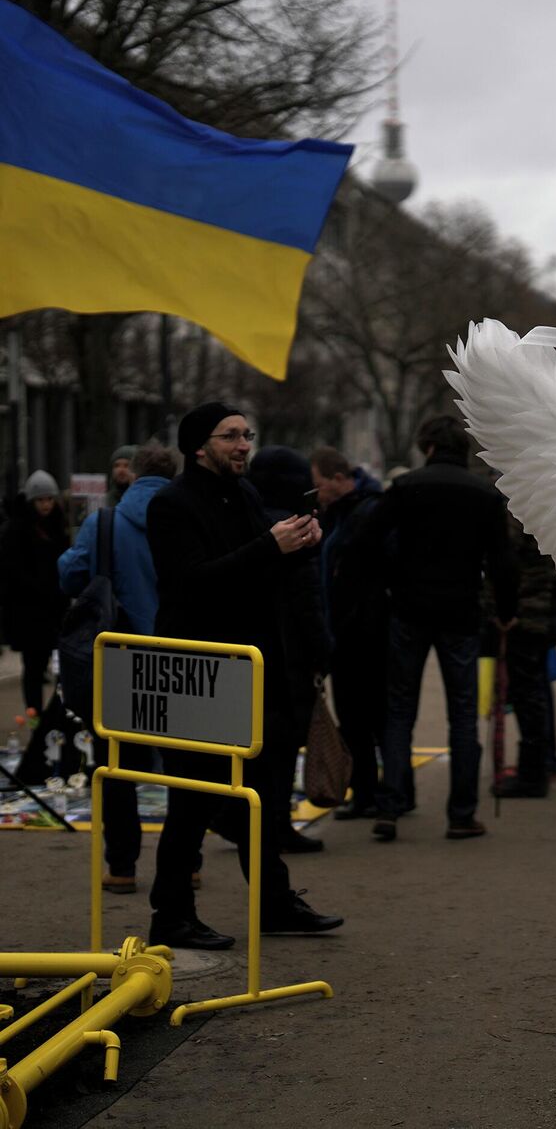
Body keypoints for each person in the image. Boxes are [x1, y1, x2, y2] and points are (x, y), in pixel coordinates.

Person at [144, 402, 342, 951]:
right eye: (229, 435)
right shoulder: (171, 504)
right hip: (199, 672)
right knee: (193, 799)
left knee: (260, 794)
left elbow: (263, 574)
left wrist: (299, 548)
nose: (242, 444)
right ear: (197, 445)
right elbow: (191, 584)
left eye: (246, 434)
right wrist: (268, 546)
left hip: (252, 669)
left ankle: (274, 904)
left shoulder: (247, 494)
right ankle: (172, 915)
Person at [360, 415, 517, 843]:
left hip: (409, 608)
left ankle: (389, 806)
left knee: (399, 711)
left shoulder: (406, 487)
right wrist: (506, 610)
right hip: (461, 611)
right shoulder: (485, 495)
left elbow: (368, 540)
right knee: (463, 715)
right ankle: (462, 814)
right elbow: (501, 562)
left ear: (427, 446)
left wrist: (392, 579)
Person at [59, 441, 178, 892]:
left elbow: (70, 575)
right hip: (180, 656)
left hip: (120, 658)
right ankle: (187, 864)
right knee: (184, 764)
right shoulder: (185, 521)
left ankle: (123, 867)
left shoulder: (105, 522)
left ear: (133, 474)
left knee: (118, 765)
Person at [247, 445, 333, 854]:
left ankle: (254, 825)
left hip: (251, 652)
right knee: (280, 750)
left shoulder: (245, 523)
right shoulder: (295, 531)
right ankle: (275, 827)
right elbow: (307, 600)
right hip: (289, 656)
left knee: (254, 748)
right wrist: (324, 651)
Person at [309, 446, 387, 819]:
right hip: (345, 629)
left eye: (319, 484)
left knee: (367, 716)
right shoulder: (340, 511)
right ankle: (370, 792)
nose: (317, 491)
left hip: (362, 632)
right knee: (356, 717)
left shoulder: (368, 510)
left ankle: (378, 794)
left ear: (339, 480)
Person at [484, 513, 556, 799]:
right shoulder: (541, 506)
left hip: (523, 613)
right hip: (541, 608)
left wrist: (502, 609)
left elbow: (504, 559)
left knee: (527, 693)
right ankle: (542, 764)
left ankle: (533, 773)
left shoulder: (517, 509)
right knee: (535, 691)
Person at [0, 469, 70, 781]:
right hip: (29, 615)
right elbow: (13, 573)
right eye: (40, 500)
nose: (46, 505)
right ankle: (33, 723)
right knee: (33, 669)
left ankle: (53, 725)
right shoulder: (17, 530)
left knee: (57, 670)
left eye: (49, 500)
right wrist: (43, 590)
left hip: (53, 611)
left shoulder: (57, 526)